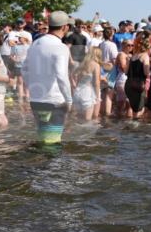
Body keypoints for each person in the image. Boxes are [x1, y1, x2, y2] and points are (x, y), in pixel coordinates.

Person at [23, 11, 74, 144]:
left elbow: (24, 69)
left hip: (36, 100)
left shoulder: (35, 43)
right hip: (54, 101)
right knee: (52, 142)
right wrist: (69, 100)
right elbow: (62, 76)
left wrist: (32, 88)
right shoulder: (60, 47)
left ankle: (38, 158)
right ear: (65, 27)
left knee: (43, 138)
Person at [71, 46, 102, 121]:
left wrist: (74, 84)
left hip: (77, 92)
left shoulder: (82, 64)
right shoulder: (96, 65)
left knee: (77, 119)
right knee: (87, 120)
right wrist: (97, 97)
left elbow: (72, 75)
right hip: (88, 92)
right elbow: (97, 83)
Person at [124, 38, 151, 118]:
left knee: (134, 109)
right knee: (138, 111)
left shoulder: (132, 56)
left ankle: (131, 123)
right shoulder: (145, 56)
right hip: (138, 86)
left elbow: (125, 72)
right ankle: (135, 125)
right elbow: (146, 72)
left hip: (128, 85)